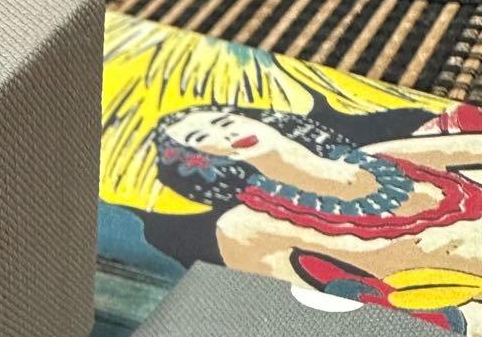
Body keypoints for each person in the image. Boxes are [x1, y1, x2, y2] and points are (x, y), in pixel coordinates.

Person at [153, 105, 482, 281]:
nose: (225, 134)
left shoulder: (381, 156)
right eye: (200, 138)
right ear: (199, 160)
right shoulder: (244, 227)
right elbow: (294, 315)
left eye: (224, 122)